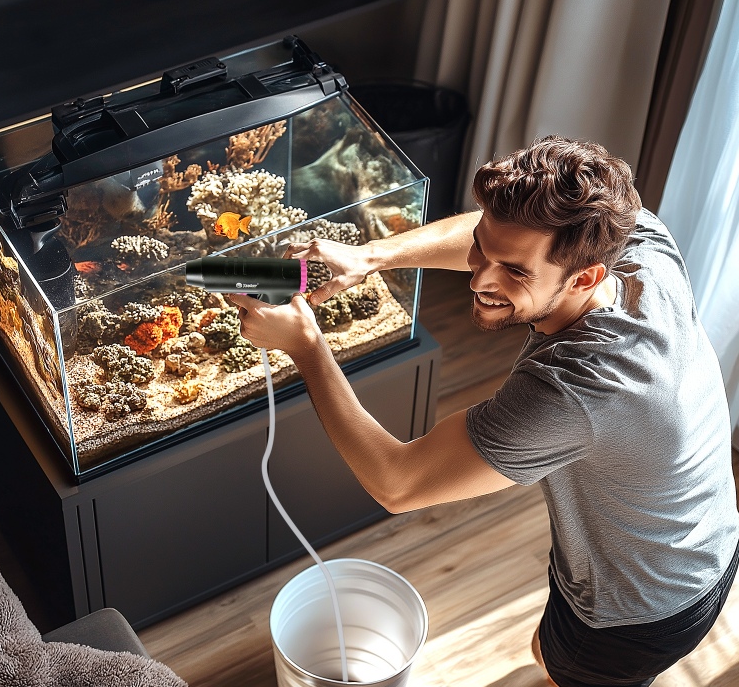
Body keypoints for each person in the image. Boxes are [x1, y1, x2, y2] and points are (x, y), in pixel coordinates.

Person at [229, 135, 739, 686]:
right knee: (546, 654)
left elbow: (398, 484)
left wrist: (306, 349)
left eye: (515, 272)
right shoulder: (637, 237)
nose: (480, 280)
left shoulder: (574, 391)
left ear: (585, 276)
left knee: (561, 665)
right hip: (704, 532)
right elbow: (498, 237)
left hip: (636, 610)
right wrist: (370, 256)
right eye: (482, 250)